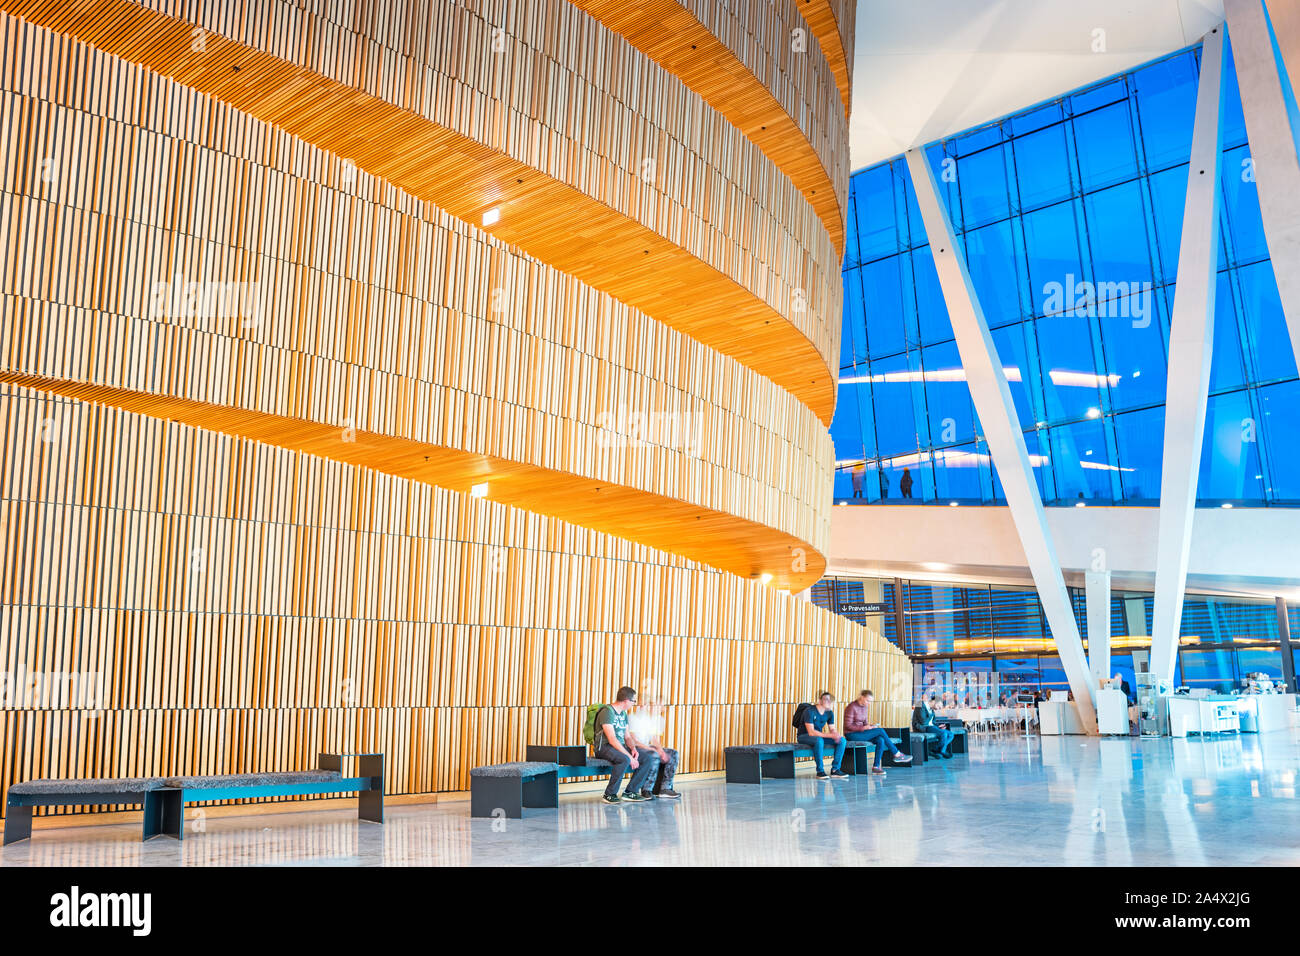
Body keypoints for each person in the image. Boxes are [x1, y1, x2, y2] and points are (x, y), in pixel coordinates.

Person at [593, 686, 659, 803]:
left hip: (619, 747)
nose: (634, 704)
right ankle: (609, 794)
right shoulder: (607, 712)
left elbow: (627, 736)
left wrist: (633, 748)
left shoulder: (623, 714)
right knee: (624, 760)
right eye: (633, 701)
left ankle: (630, 792)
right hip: (604, 747)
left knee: (647, 758)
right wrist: (629, 757)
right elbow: (612, 739)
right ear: (626, 701)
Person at [843, 690, 912, 774]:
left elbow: (865, 723)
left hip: (861, 733)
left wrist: (871, 726)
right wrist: (865, 727)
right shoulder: (851, 707)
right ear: (861, 697)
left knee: (880, 739)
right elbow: (848, 726)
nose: (869, 703)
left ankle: (876, 766)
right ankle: (896, 753)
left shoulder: (865, 707)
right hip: (851, 734)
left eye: (870, 701)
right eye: (867, 700)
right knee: (880, 730)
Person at [626, 696, 681, 799]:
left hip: (646, 746)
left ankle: (665, 788)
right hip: (634, 747)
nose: (661, 708)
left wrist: (660, 750)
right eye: (658, 705)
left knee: (673, 754)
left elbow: (654, 738)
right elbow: (633, 741)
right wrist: (652, 749)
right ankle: (647, 789)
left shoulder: (656, 720)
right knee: (653, 755)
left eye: (661, 705)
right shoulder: (634, 717)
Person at [799, 692, 849, 779]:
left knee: (842, 740)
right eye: (826, 700)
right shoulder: (809, 711)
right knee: (819, 740)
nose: (829, 702)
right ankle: (820, 771)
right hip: (804, 736)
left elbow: (832, 728)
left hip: (818, 736)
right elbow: (811, 732)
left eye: (830, 701)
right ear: (819, 701)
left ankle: (835, 770)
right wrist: (830, 736)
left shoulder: (829, 713)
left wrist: (835, 734)